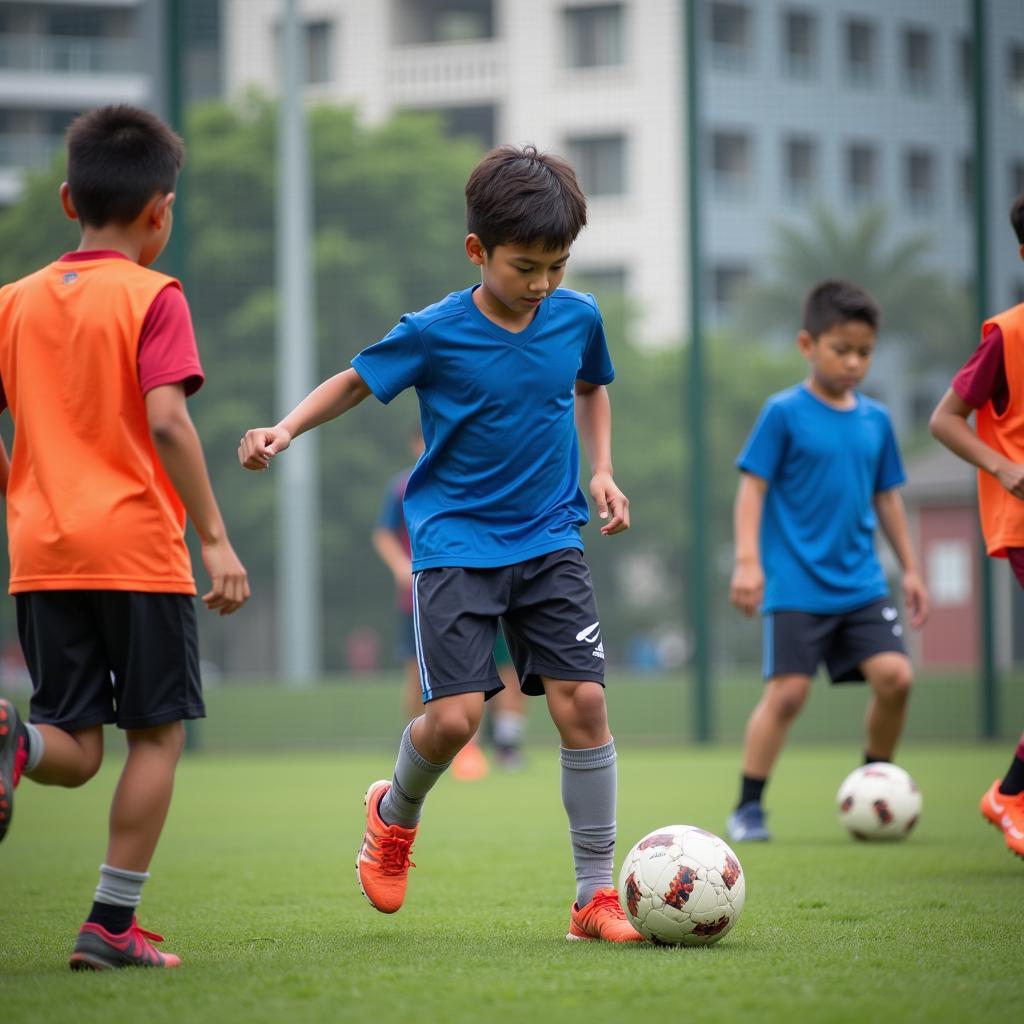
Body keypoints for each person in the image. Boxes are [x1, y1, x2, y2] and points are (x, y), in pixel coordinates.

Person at [240, 144, 639, 941]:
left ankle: (594, 897)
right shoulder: (434, 331)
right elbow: (355, 382)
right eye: (525, 265)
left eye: (556, 265)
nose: (542, 284)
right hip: (455, 543)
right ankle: (392, 813)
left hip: (552, 534)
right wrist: (284, 428)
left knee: (585, 703)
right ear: (476, 252)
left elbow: (591, 387)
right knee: (453, 720)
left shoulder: (578, 317)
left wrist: (602, 470)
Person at [0, 105, 250, 969]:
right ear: (161, 211)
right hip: (138, 552)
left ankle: (12, 741)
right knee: (156, 734)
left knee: (68, 745)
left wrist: (25, 495)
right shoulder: (155, 295)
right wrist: (214, 538)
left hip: (40, 555)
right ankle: (110, 924)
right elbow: (170, 422)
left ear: (69, 197)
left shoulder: (13, 302)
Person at [726, 280, 929, 843]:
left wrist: (910, 568)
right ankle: (748, 807)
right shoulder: (783, 413)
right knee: (788, 694)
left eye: (864, 352)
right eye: (842, 349)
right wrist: (748, 561)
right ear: (807, 344)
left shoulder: (877, 421)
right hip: (795, 582)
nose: (854, 362)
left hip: (862, 583)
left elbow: (887, 496)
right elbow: (752, 488)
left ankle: (875, 786)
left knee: (897, 678)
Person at [929, 192, 1024, 861]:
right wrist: (1004, 468)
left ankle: (1009, 793)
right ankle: (1013, 795)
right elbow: (944, 418)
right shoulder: (1007, 335)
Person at [373, 430, 527, 777]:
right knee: (418, 672)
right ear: (414, 444)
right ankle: (418, 745)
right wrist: (400, 566)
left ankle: (507, 746)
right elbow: (383, 533)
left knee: (508, 667)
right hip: (423, 592)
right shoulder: (403, 487)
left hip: (488, 587)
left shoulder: (475, 477)